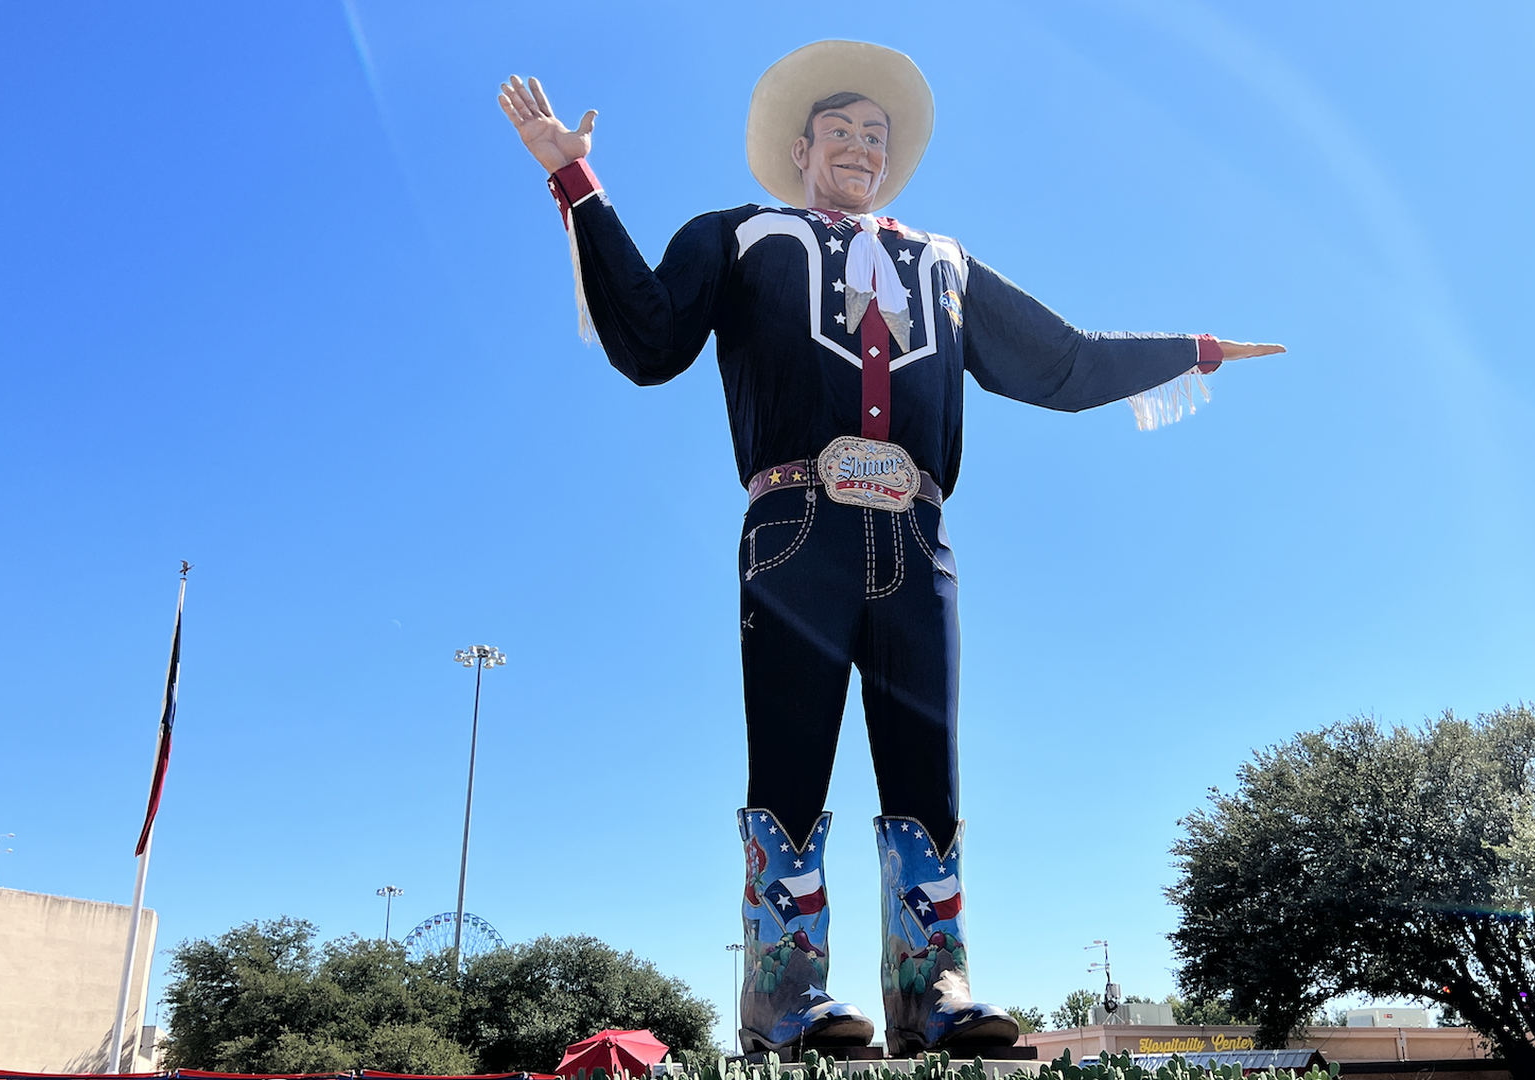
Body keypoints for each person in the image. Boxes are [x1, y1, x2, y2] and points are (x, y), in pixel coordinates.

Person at [497, 40, 1283, 1057]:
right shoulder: (741, 237)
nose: (861, 146)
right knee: (791, 760)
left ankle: (932, 987)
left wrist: (1195, 350)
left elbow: (1065, 361)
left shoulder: (941, 262)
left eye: (877, 134)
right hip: (795, 526)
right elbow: (649, 342)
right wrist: (576, 180)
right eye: (841, 129)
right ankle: (785, 992)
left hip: (916, 530)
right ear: (799, 146)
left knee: (930, 771)